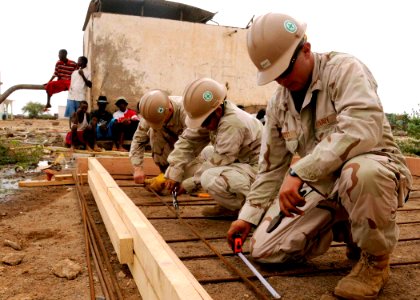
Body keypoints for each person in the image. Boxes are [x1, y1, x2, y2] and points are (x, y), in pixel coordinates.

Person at [226, 13, 412, 299]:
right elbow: (271, 168)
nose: (282, 81)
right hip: (324, 182)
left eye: (285, 71)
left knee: (362, 173)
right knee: (264, 249)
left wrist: (299, 172)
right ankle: (345, 222)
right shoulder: (279, 103)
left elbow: (362, 127)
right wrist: (248, 218)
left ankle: (375, 263)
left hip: (374, 168)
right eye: (275, 76)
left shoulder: (344, 70)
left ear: (306, 49)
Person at [164, 78, 263, 216]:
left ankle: (252, 207)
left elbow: (221, 159)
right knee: (206, 152)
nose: (203, 127)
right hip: (243, 162)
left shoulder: (232, 123)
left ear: (217, 111)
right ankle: (229, 205)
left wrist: (188, 184)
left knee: (208, 177)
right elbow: (188, 141)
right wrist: (173, 172)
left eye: (204, 122)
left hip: (260, 171)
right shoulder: (212, 115)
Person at [130, 89, 208, 192]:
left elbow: (188, 145)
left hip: (195, 150)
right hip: (176, 153)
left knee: (192, 180)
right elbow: (138, 140)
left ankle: (177, 176)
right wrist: (137, 168)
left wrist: (174, 173)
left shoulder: (187, 112)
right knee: (154, 132)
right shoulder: (152, 112)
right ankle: (166, 173)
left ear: (170, 110)